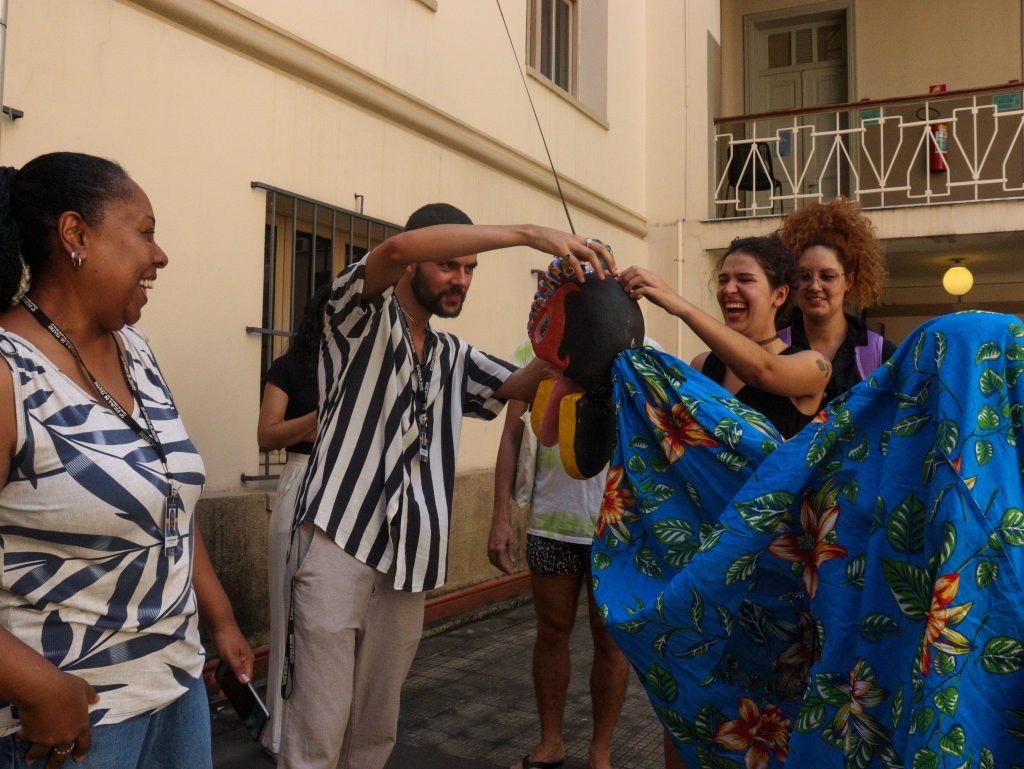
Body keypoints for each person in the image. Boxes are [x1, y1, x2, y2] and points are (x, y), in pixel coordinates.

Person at [277, 203, 615, 769]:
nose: (461, 280)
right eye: (448, 266)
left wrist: (571, 324)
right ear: (415, 265)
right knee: (317, 727)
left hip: (412, 555)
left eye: (470, 269)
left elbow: (517, 384)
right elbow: (392, 250)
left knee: (375, 729)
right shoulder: (355, 316)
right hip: (338, 540)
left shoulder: (452, 354)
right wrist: (531, 233)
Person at [0, 152, 253, 769]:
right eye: (144, 231)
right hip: (70, 724)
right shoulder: (8, 374)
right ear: (75, 235)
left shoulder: (136, 351)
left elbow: (167, 501)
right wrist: (38, 685)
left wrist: (219, 618)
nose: (160, 255)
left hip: (176, 690)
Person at [617, 235, 830, 769]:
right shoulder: (700, 367)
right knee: (686, 698)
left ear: (781, 294)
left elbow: (764, 374)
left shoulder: (810, 366)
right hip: (703, 571)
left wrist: (677, 302)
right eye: (724, 280)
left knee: (769, 720)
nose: (730, 291)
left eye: (745, 281)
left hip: (775, 584)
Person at [488, 338, 634, 769]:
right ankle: (550, 742)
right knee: (551, 634)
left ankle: (600, 752)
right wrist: (500, 516)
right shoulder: (531, 358)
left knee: (611, 641)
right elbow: (511, 438)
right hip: (552, 523)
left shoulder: (638, 353)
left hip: (615, 527)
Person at [256, 282, 330, 759]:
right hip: (303, 478)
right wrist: (317, 419)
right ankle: (282, 732)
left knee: (330, 625)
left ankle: (324, 728)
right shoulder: (289, 367)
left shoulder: (362, 369)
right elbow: (267, 435)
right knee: (289, 612)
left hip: (351, 486)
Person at [777, 198, 896, 403]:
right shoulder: (775, 347)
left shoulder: (879, 354)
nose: (815, 286)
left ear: (849, 281)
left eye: (827, 276)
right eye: (804, 276)